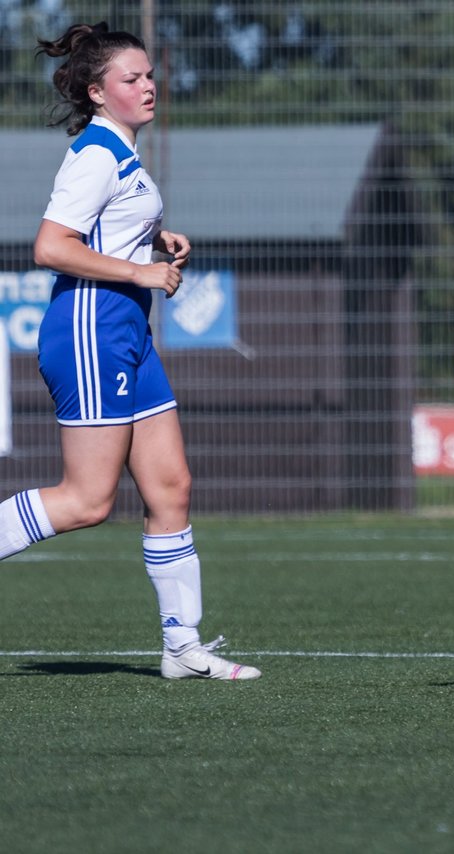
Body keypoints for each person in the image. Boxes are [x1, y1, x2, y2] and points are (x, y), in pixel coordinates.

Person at [0, 22, 260, 680]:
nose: (148, 86)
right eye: (131, 79)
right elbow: (51, 246)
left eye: (149, 76)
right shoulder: (95, 154)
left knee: (170, 486)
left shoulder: (120, 154)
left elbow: (107, 228)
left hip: (126, 331)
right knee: (88, 500)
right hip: (90, 327)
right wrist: (143, 272)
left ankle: (182, 648)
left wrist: (154, 239)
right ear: (97, 91)